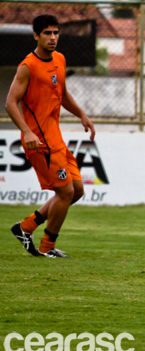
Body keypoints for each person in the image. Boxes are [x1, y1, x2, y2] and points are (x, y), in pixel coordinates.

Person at [6, 14, 95, 258]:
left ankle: (25, 227)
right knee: (65, 193)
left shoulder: (60, 59)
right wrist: (26, 131)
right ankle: (46, 247)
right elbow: (10, 103)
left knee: (76, 191)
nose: (53, 38)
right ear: (36, 35)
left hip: (56, 139)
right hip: (40, 143)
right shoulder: (28, 66)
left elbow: (62, 93)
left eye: (56, 33)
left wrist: (81, 114)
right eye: (47, 33)